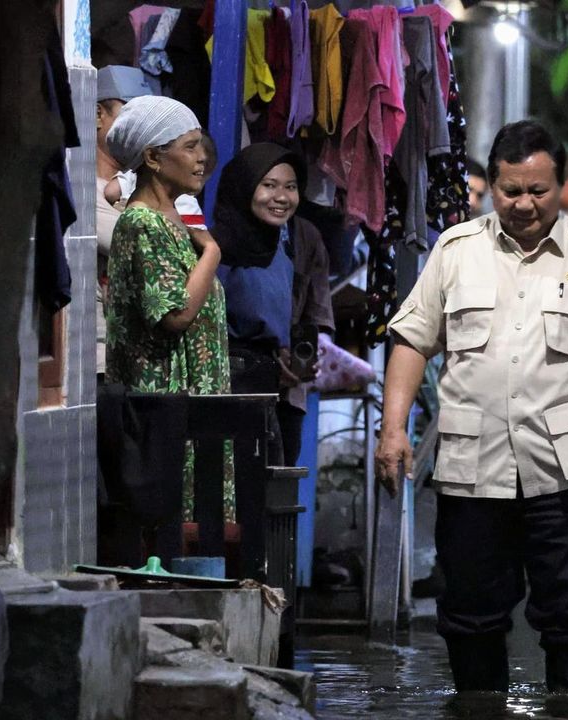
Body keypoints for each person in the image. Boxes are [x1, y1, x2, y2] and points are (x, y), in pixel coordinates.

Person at [376, 120, 568, 694]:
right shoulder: (455, 251)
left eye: (537, 191)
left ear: (561, 186)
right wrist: (392, 430)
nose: (524, 203)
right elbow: (411, 340)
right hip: (474, 469)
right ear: (493, 185)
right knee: (469, 615)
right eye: (510, 191)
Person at [103, 95, 233, 559]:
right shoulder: (141, 223)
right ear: (154, 158)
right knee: (171, 535)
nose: (202, 159)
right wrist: (212, 254)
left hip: (191, 407)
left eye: (202, 147)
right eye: (190, 146)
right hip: (163, 411)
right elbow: (175, 313)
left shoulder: (178, 221)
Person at [211, 143, 333, 466]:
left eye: (290, 187)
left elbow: (311, 315)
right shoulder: (215, 246)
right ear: (245, 186)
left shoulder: (293, 242)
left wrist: (297, 355)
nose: (281, 197)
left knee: (273, 492)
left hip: (279, 390)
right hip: (230, 387)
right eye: (269, 185)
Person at [95, 65, 152, 379]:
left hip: (143, 358)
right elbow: (146, 244)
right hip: (101, 361)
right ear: (98, 114)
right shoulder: (81, 186)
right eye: (131, 115)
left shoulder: (142, 182)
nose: (142, 130)